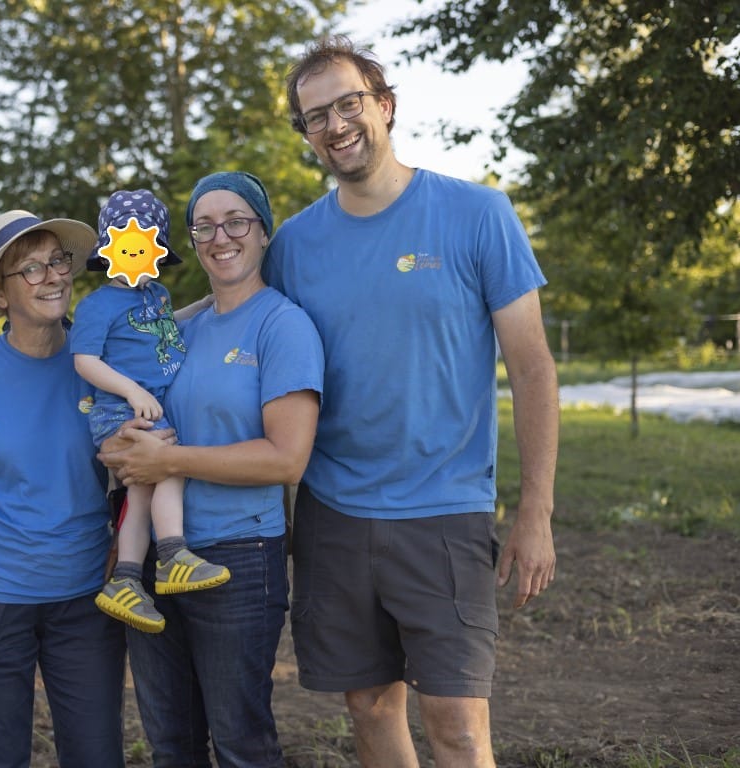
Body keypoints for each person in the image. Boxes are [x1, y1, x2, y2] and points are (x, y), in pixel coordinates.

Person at [266, 35, 560, 767]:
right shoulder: (294, 246)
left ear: (384, 106)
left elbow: (530, 368)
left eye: (347, 104)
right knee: (368, 707)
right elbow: (238, 333)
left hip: (445, 509)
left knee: (457, 724)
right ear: (304, 135)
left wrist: (535, 513)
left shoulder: (476, 213)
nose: (334, 125)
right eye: (314, 117)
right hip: (332, 513)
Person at [99, 172, 324, 767]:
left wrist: (166, 459)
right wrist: (119, 441)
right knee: (171, 746)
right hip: (154, 563)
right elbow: (129, 409)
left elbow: (287, 458)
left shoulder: (283, 326)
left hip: (239, 561)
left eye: (236, 221)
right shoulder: (176, 330)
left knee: (241, 744)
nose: (220, 236)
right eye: (204, 225)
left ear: (263, 232)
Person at [0, 210, 127, 768]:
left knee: (97, 754)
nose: (53, 277)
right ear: (0, 291)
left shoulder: (102, 365)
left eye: (58, 261)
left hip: (85, 595)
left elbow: (137, 466)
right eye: (31, 269)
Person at [73, 189, 231, 634]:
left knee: (142, 492)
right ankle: (172, 555)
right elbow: (84, 359)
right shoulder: (97, 305)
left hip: (145, 409)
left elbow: (163, 326)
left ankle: (124, 579)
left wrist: (206, 304)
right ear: (110, 250)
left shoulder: (155, 294)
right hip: (119, 411)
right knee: (170, 466)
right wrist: (131, 392)